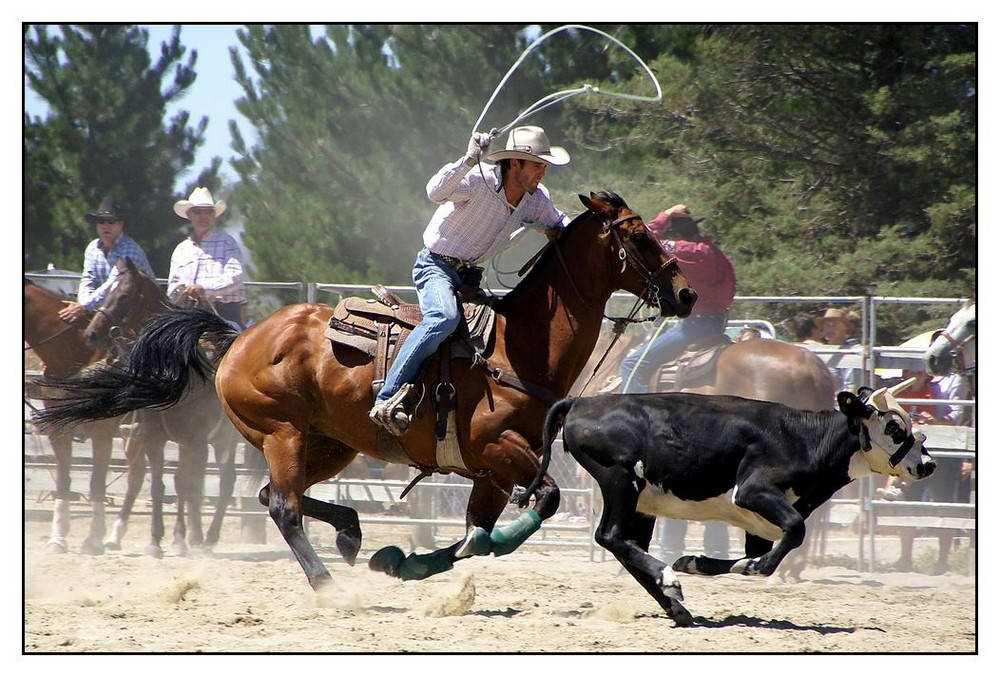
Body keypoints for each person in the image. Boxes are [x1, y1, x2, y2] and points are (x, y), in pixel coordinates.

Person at [368, 126, 571, 435]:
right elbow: (435, 192)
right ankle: (386, 397)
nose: (543, 171)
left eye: (544, 165)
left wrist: (578, 229)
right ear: (514, 163)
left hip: (470, 277)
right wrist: (468, 159)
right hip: (436, 266)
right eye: (538, 164)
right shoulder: (479, 179)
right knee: (443, 317)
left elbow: (560, 223)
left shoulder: (535, 199)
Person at [618, 204, 736, 394]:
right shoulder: (716, 253)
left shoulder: (684, 250)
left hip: (695, 326)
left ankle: (636, 418)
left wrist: (666, 214)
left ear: (674, 235)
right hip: (719, 322)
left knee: (632, 364)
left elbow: (642, 238)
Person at [878, 369, 971, 574]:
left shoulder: (937, 389)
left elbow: (955, 415)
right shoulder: (906, 393)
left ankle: (942, 560)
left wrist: (933, 421)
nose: (913, 375)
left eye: (916, 371)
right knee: (909, 503)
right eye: (909, 371)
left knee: (943, 502)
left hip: (941, 451)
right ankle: (906, 558)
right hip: (917, 451)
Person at [57, 197, 155, 324]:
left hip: (141, 315)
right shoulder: (92, 248)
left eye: (111, 221)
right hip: (109, 309)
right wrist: (82, 304)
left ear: (121, 224)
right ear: (96, 225)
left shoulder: (129, 250)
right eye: (101, 221)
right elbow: (87, 280)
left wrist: (83, 307)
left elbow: (113, 284)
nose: (105, 226)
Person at [167, 187, 247, 329]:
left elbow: (236, 277)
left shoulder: (227, 242)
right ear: (189, 214)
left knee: (234, 341)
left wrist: (204, 289)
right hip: (189, 315)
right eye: (197, 212)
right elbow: (172, 287)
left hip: (225, 313)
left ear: (214, 215)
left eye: (208, 211)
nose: (203, 216)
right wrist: (182, 290)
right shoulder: (181, 250)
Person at [820, 307, 861, 390]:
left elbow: (852, 386)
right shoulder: (821, 350)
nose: (830, 330)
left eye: (834, 325)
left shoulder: (852, 350)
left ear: (845, 328)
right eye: (827, 325)